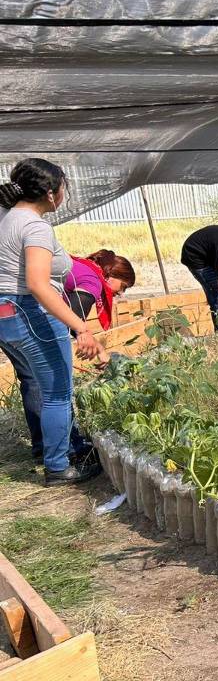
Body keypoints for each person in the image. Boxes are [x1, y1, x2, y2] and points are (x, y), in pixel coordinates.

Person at [0, 158, 106, 485]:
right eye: (63, 187)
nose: (64, 193)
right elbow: (37, 283)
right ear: (50, 192)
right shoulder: (34, 226)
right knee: (58, 392)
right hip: (29, 311)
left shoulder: (6, 218)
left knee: (42, 385)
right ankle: (59, 467)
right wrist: (83, 327)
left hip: (7, 312)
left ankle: (64, 447)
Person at [64, 249, 136, 330]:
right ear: (112, 275)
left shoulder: (85, 266)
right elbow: (73, 319)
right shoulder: (93, 282)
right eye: (123, 286)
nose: (121, 292)